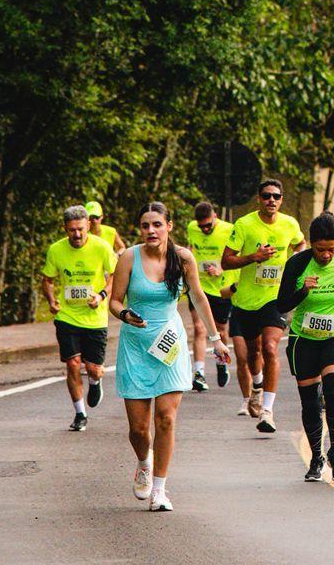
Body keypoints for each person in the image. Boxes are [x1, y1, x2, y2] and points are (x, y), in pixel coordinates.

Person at [108, 202, 230, 511]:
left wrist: (217, 340)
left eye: (157, 224)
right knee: (138, 430)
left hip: (169, 342)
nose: (151, 230)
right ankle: (143, 461)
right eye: (145, 225)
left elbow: (199, 298)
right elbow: (114, 301)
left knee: (165, 418)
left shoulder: (183, 258)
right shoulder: (128, 257)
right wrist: (124, 314)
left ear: (169, 226)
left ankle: (159, 490)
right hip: (136, 345)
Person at [276, 213, 334, 482]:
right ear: (311, 243)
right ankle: (316, 457)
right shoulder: (297, 264)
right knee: (311, 403)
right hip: (304, 341)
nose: (326, 255)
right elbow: (282, 304)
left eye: (331, 249)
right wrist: (303, 290)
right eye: (320, 249)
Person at [222, 179, 306, 431]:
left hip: (275, 297)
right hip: (247, 300)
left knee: (270, 348)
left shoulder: (289, 224)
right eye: (267, 196)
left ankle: (267, 412)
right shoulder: (245, 224)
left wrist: (296, 259)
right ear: (259, 199)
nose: (272, 200)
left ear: (281, 200)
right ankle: (256, 385)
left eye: (276, 196)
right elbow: (226, 262)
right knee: (252, 353)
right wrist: (253, 257)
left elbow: (300, 243)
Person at [41, 205, 119, 432]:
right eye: (72, 230)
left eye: (81, 230)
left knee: (93, 368)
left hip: (94, 317)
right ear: (65, 228)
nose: (76, 235)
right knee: (73, 364)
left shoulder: (102, 247)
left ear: (88, 227)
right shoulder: (56, 250)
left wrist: (102, 295)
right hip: (67, 316)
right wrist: (52, 300)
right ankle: (80, 413)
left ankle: (95, 382)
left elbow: (114, 275)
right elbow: (47, 279)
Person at [184, 202, 235, 393]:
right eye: (201, 226)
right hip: (199, 286)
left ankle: (221, 362)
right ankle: (199, 373)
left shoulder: (228, 230)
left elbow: (237, 255)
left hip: (221, 287)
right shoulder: (192, 228)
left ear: (215, 216)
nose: (204, 229)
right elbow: (191, 246)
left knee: (221, 329)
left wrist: (221, 268)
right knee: (199, 328)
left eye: (208, 225)